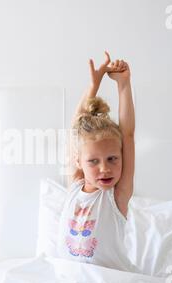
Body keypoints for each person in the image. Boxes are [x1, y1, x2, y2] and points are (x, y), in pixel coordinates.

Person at [56, 51, 135, 271]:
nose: (105, 168)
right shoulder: (75, 184)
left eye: (112, 159)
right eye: (93, 161)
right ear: (78, 161)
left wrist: (124, 84)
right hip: (71, 280)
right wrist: (94, 84)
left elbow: (127, 134)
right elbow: (76, 128)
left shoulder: (117, 195)